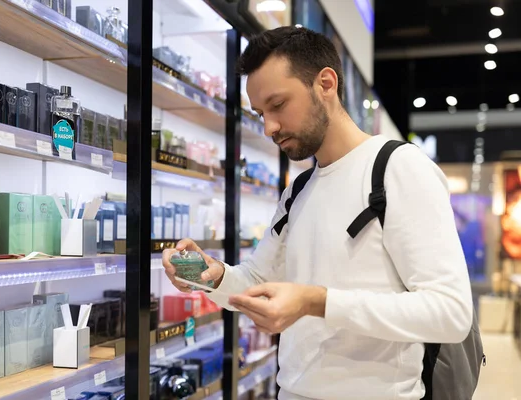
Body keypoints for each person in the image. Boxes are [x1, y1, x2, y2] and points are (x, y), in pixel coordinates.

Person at [162, 26, 473, 400]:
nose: (269, 127)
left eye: (277, 105)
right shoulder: (298, 190)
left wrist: (317, 301)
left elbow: (451, 312)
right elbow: (259, 280)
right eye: (261, 112)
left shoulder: (398, 168)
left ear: (326, 83)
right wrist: (213, 277)